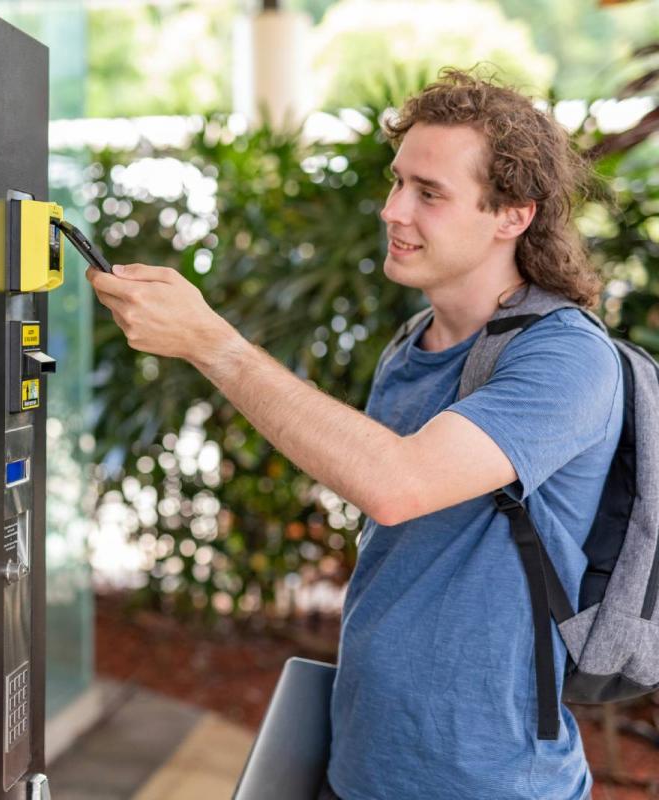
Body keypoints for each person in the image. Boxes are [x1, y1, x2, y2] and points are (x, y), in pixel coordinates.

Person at [86, 69, 622, 800]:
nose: (393, 210)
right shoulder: (413, 343)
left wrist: (215, 344)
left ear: (513, 215)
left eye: (429, 194)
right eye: (398, 182)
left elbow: (398, 485)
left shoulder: (567, 357)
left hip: (487, 781)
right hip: (363, 765)